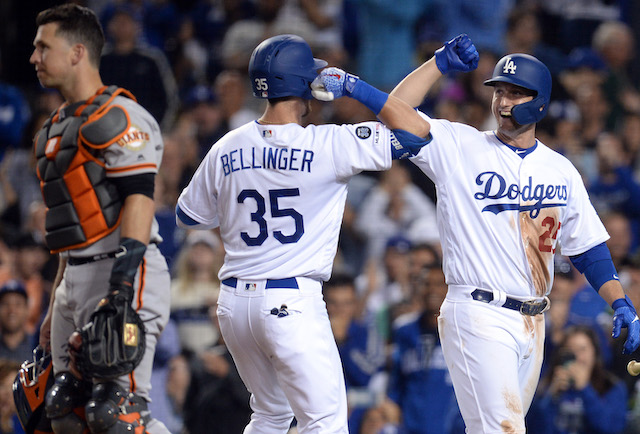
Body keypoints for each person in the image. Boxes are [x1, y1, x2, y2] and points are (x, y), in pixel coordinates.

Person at [176, 34, 431, 433]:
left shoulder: (227, 145)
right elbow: (416, 132)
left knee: (271, 414)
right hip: (290, 301)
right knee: (326, 421)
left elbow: (188, 214)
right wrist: (352, 86)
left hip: (234, 306)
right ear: (302, 85)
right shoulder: (328, 144)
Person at [389, 34, 640, 432]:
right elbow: (396, 110)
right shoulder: (461, 145)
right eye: (499, 92)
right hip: (478, 311)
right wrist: (437, 65)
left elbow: (588, 249)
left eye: (516, 93)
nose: (503, 102)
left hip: (533, 321)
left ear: (540, 101)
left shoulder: (560, 170)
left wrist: (621, 301)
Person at [29, 4, 170, 433]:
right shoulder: (52, 130)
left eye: (42, 47)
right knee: (63, 416)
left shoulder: (121, 116)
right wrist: (56, 300)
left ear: (76, 52)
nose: (33, 58)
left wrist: (122, 286)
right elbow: (69, 226)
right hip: (74, 276)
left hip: (122, 270)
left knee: (117, 414)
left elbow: (140, 199)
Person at [527, 325, 628, 434]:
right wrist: (551, 396)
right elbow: (533, 428)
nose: (577, 357)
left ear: (595, 354)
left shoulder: (612, 387)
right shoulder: (546, 386)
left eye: (582, 349)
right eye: (570, 349)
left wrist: (585, 389)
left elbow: (610, 428)